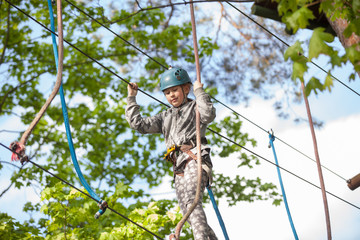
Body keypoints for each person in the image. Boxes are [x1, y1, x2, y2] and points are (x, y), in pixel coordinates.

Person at [125, 67, 218, 240]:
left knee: (192, 202)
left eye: (175, 90)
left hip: (194, 158)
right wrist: (131, 98)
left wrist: (199, 91)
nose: (172, 95)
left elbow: (209, 114)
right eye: (167, 93)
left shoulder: (195, 107)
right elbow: (139, 125)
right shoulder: (165, 116)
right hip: (178, 167)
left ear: (186, 89)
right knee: (188, 214)